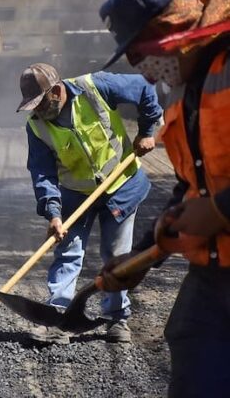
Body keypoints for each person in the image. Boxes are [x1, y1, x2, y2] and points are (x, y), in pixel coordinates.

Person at [98, 0, 230, 396]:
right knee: (191, 345)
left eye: (141, 57)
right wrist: (139, 260)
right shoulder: (185, 86)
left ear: (168, 32)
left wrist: (219, 211)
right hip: (214, 276)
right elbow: (190, 185)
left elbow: (210, 202)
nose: (148, 75)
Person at [17, 63, 162, 344]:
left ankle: (116, 319)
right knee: (68, 253)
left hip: (121, 185)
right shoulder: (36, 127)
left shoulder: (95, 86)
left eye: (41, 103)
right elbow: (42, 173)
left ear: (56, 91)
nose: (37, 111)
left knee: (116, 254)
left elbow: (145, 87)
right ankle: (56, 317)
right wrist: (54, 214)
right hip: (75, 192)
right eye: (31, 106)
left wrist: (147, 130)